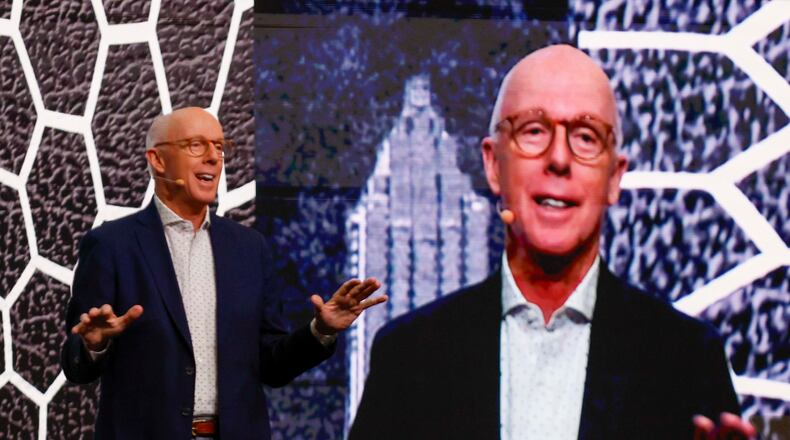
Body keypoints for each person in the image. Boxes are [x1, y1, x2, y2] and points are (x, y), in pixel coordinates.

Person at [349, 45, 755, 440]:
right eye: (534, 131)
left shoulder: (686, 360)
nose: (559, 158)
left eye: (585, 137)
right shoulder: (408, 356)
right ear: (493, 165)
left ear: (614, 177)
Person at [61, 107, 387, 439]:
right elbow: (74, 364)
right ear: (158, 160)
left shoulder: (248, 248)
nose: (214, 158)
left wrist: (320, 331)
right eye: (196, 146)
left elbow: (271, 364)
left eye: (219, 147)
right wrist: (93, 344)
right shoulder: (111, 244)